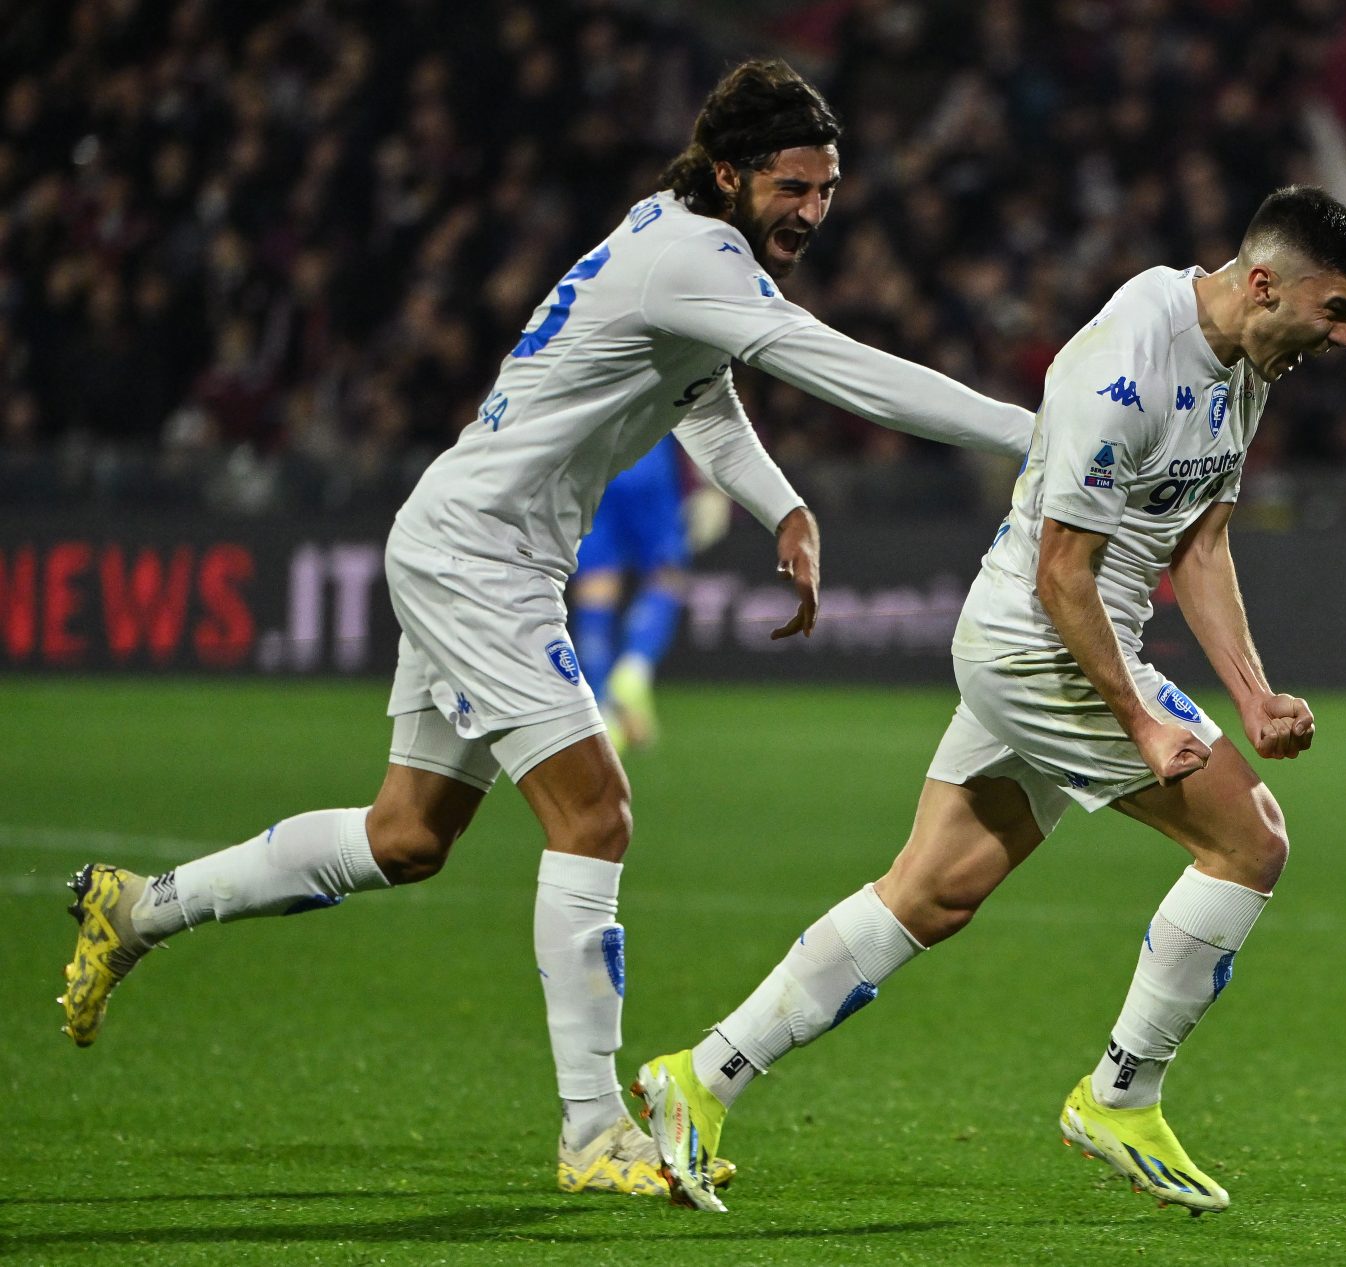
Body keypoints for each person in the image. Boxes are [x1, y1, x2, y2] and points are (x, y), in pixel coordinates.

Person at [57, 59, 1031, 1200]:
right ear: (730, 173)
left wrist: (780, 504)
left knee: (405, 835)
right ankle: (593, 1131)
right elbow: (838, 369)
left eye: (827, 189)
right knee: (595, 812)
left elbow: (703, 389)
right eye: (793, 187)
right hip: (480, 558)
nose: (813, 211)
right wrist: (1037, 433)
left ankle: (140, 906)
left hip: (471, 539)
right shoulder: (693, 256)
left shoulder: (677, 236)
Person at [632, 186, 1346, 1215]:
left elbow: (1200, 542)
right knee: (1250, 842)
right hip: (1042, 645)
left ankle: (699, 1076)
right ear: (1263, 284)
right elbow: (1062, 575)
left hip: (1047, 645)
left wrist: (1250, 694)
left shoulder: (1246, 361)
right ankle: (1121, 1095)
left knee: (932, 892)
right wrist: (1143, 720)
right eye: (1334, 311)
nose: (1340, 339)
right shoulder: (1128, 364)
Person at [569, 434, 699, 754]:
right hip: (647, 454)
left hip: (592, 462)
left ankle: (601, 711)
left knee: (595, 586)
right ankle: (634, 666)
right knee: (667, 574)